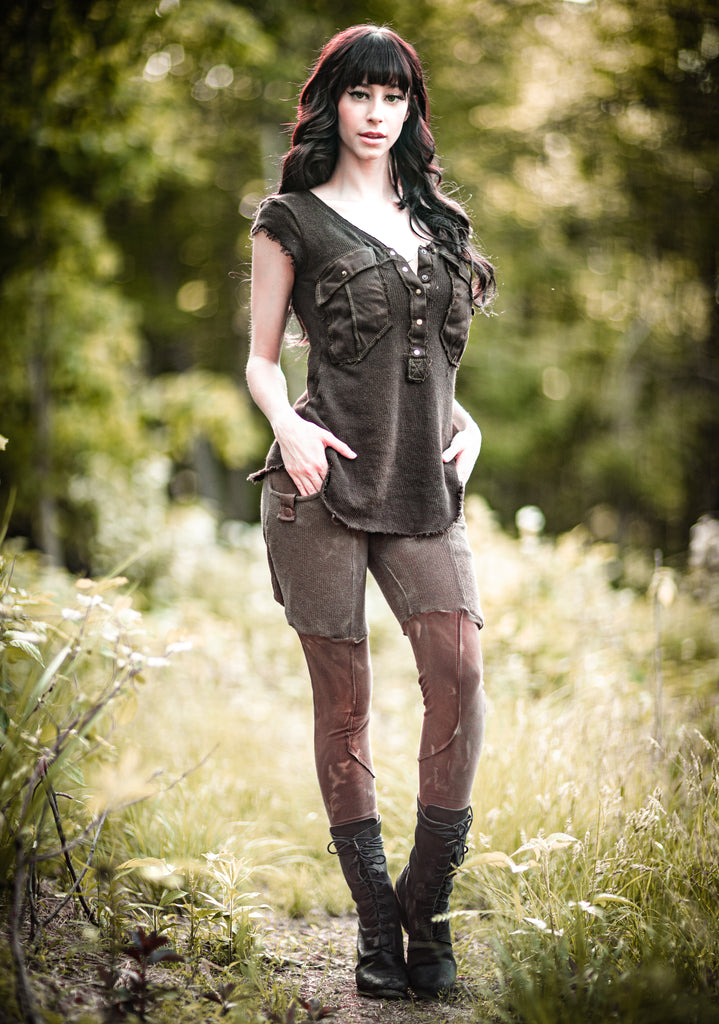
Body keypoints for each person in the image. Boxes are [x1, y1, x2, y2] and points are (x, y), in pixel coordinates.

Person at [246, 24, 495, 1002]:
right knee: (343, 706)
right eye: (360, 93)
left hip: (424, 490)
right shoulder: (290, 219)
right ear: (332, 103)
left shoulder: (437, 224)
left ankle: (424, 908)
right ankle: (373, 930)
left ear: (410, 110)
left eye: (393, 96)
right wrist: (287, 428)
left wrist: (466, 421)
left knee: (459, 675)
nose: (376, 113)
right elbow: (262, 360)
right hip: (320, 487)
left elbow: (428, 359)